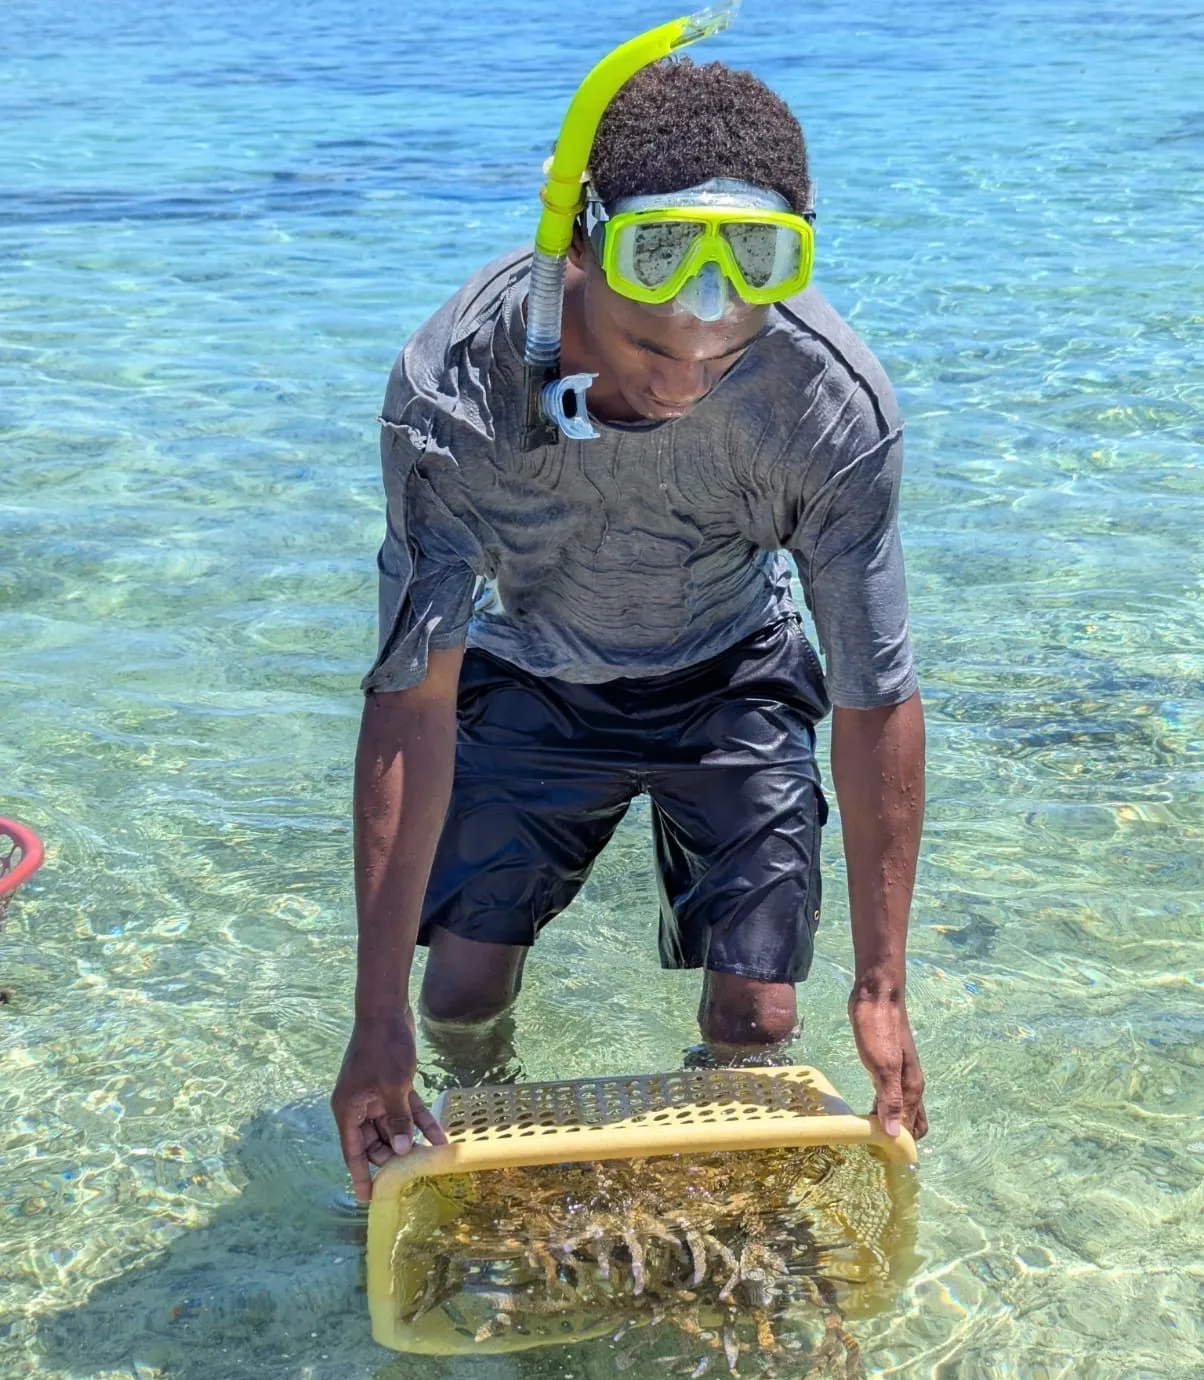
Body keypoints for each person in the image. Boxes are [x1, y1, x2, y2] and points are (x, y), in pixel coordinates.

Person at [331, 53, 928, 1204]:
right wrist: (371, 1021)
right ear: (574, 251)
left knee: (756, 1013)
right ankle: (477, 1160)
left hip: (733, 674)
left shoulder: (830, 403)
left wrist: (882, 983)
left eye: (724, 353)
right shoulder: (453, 391)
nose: (686, 383)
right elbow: (411, 697)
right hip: (533, 673)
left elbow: (873, 695)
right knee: (453, 998)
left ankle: (715, 1208)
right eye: (650, 349)